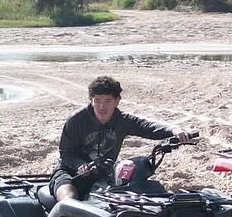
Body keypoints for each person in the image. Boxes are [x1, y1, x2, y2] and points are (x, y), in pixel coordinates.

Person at [53, 75, 195, 200]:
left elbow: (148, 126)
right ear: (91, 100)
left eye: (108, 101)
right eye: (97, 100)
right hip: (69, 174)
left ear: (117, 101)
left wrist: (174, 130)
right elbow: (66, 154)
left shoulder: (122, 121)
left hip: (104, 175)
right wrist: (80, 166)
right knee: (69, 199)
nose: (102, 106)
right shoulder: (76, 120)